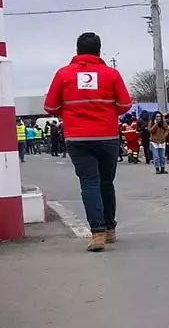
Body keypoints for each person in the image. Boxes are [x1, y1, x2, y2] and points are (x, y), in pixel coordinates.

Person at [43, 32, 132, 251]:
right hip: (107, 136)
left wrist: (71, 113)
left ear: (77, 50)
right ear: (99, 51)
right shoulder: (111, 74)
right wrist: (107, 112)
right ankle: (110, 229)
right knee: (106, 183)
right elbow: (125, 104)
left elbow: (50, 107)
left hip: (78, 137)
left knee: (89, 183)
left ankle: (97, 233)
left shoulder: (64, 74)